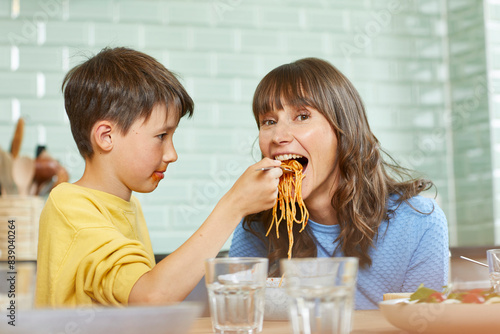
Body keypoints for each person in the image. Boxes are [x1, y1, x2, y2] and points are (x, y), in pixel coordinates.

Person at [35, 47, 283, 308]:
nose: (172, 154)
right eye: (161, 136)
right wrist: (234, 205)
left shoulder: (130, 206)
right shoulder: (68, 205)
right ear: (106, 137)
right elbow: (151, 296)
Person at [228, 57, 449, 310]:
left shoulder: (418, 222)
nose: (278, 136)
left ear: (343, 130)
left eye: (301, 116)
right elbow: (239, 316)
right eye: (268, 121)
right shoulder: (258, 227)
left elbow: (425, 323)